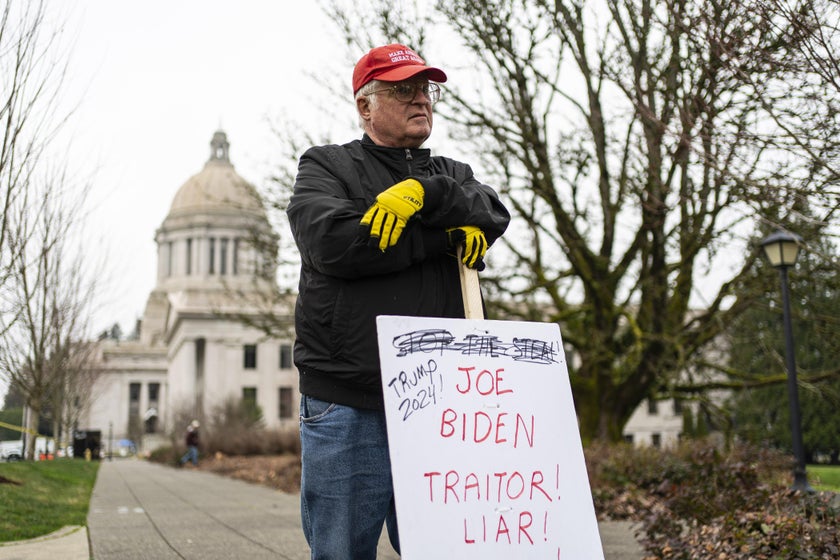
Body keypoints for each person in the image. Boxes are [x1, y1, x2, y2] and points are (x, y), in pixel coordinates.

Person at [286, 43, 510, 559]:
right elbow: (335, 243)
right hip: (348, 400)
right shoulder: (326, 166)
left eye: (426, 89)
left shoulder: (451, 172)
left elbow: (492, 210)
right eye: (403, 89)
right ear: (365, 106)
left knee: (445, 548)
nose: (421, 100)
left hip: (440, 402)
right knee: (342, 550)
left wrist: (423, 196)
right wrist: (440, 239)